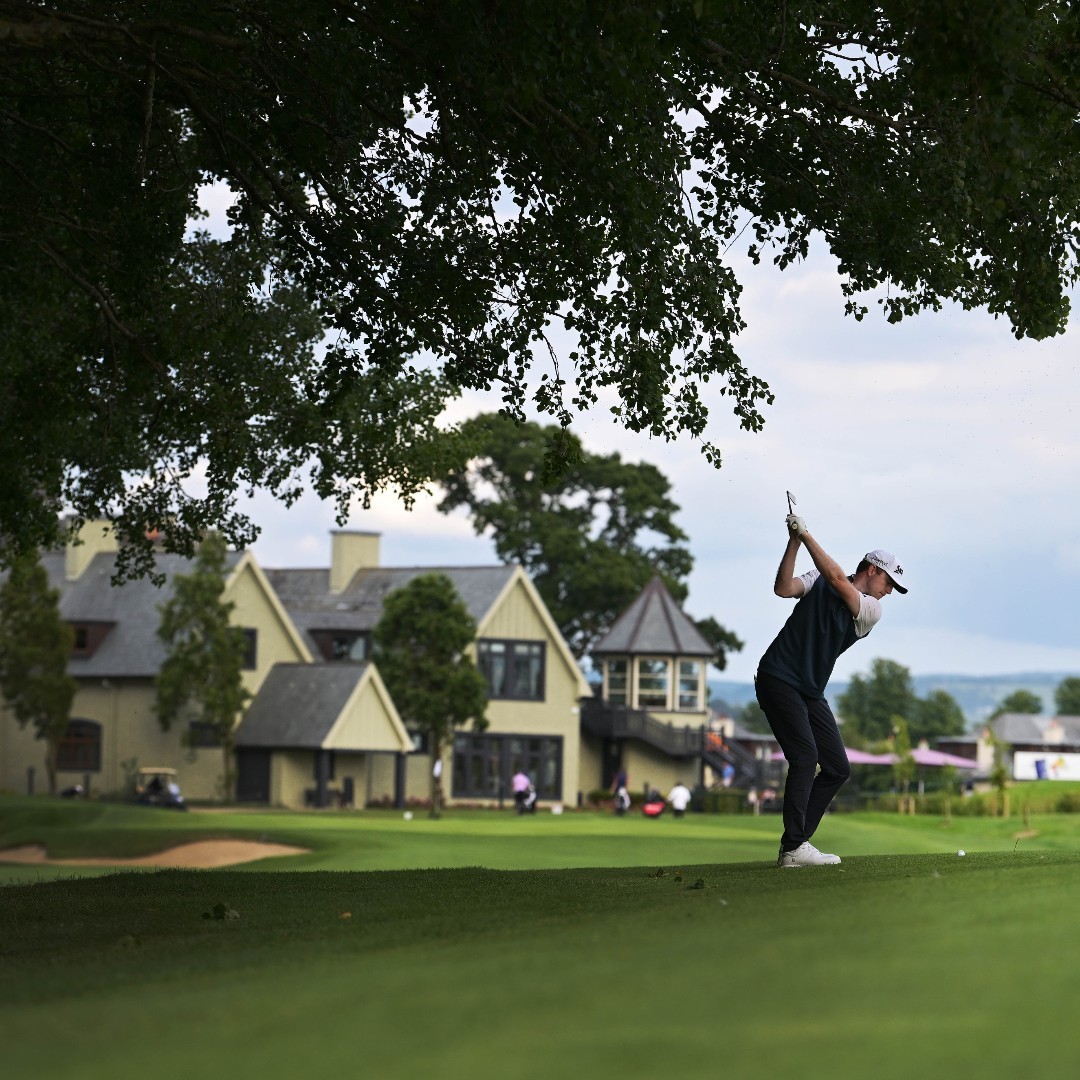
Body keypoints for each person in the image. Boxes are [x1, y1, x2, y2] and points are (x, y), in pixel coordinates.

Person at [755, 510, 908, 867]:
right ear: (872, 570)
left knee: (838, 767)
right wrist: (794, 542)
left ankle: (795, 843)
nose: (889, 592)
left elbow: (838, 579)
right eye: (889, 583)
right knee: (806, 757)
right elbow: (783, 587)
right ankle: (793, 848)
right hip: (778, 677)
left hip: (808, 690)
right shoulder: (816, 578)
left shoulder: (870, 611)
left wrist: (806, 535)